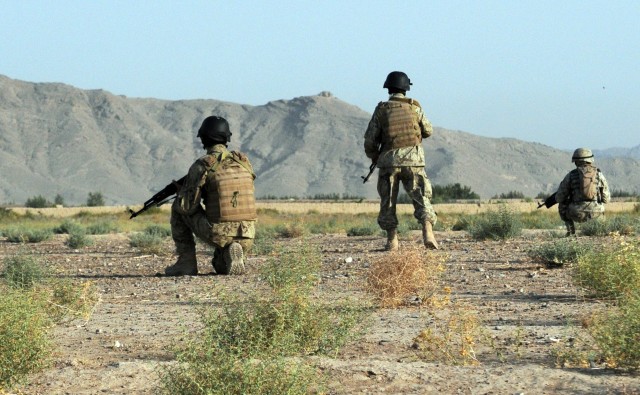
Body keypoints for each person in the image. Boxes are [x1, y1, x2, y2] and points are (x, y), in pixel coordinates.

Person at [164, 116, 257, 276]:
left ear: (204, 138)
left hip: (219, 232)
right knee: (220, 266)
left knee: (178, 208)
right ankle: (232, 251)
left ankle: (186, 263)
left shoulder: (203, 165)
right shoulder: (243, 162)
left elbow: (187, 207)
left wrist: (182, 192)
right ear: (227, 137)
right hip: (248, 233)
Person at [364, 71, 438, 251]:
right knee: (421, 197)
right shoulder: (414, 107)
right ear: (406, 88)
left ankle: (392, 240)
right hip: (413, 160)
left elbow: (370, 139)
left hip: (389, 161)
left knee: (388, 201)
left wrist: (374, 156)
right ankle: (427, 230)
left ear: (388, 88)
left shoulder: (382, 109)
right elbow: (428, 131)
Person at [555, 147, 610, 236]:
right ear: (590, 160)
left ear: (576, 161)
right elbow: (606, 199)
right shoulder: (599, 174)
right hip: (596, 214)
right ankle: (600, 230)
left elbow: (559, 198)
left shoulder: (570, 175)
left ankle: (571, 232)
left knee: (562, 205)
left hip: (576, 213)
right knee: (601, 206)